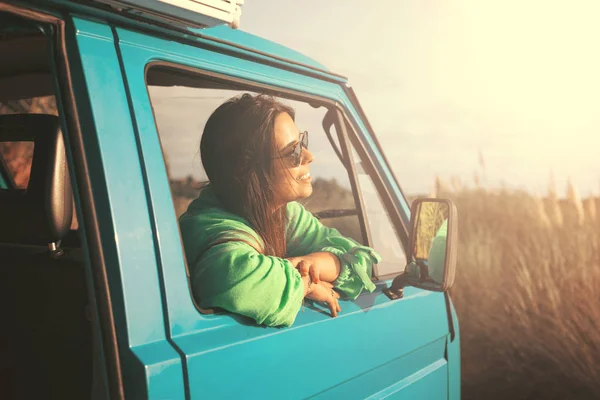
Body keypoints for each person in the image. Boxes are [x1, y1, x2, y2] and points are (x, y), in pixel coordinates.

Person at [179, 93, 381, 327]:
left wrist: (310, 264)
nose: (309, 156)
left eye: (302, 143)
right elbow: (235, 280)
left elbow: (359, 258)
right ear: (250, 171)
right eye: (292, 152)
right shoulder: (214, 226)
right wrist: (307, 283)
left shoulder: (282, 213)